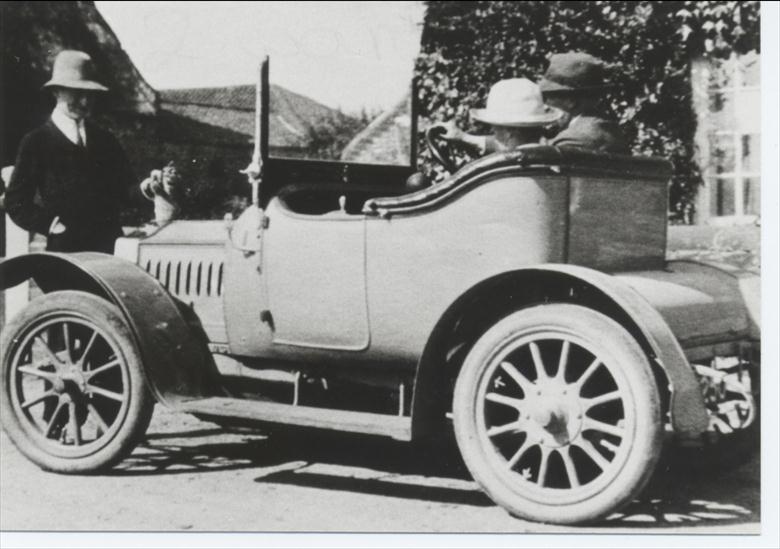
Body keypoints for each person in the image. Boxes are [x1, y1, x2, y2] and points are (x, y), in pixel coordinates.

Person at [5, 50, 137, 254]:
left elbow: (126, 190)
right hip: (65, 255)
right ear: (56, 91)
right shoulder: (36, 142)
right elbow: (16, 202)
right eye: (76, 92)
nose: (84, 102)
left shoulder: (105, 140)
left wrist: (150, 188)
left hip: (109, 255)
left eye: (90, 94)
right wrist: (51, 225)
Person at [538, 52, 630, 155]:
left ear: (570, 101)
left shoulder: (572, 140)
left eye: (546, 98)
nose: (544, 106)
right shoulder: (607, 127)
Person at [441, 78, 564, 154]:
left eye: (495, 128)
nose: (493, 133)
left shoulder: (502, 173)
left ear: (508, 133)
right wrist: (463, 137)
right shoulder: (552, 156)